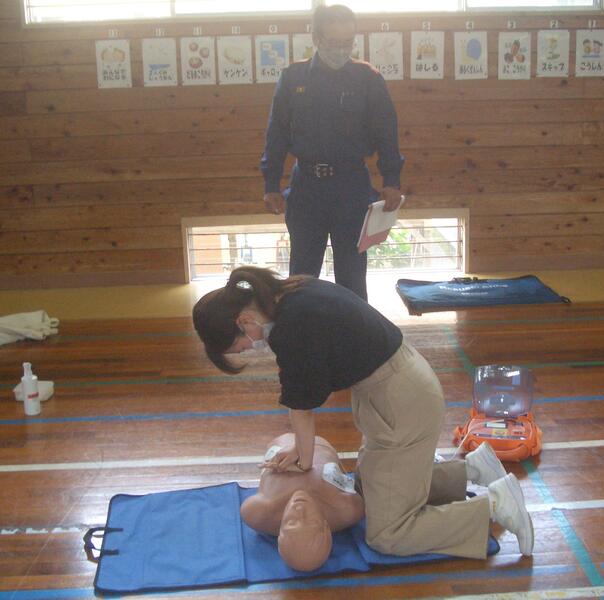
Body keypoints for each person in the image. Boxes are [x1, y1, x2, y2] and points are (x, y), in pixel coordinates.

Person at [193, 266, 534, 560]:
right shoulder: (294, 292)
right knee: (367, 488)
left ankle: (495, 506)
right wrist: (299, 449)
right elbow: (303, 391)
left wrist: (302, 458)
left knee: (387, 534)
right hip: (393, 389)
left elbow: (302, 405)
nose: (251, 347)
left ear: (244, 320)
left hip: (402, 401)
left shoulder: (292, 324)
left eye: (242, 345)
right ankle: (472, 469)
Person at [260, 4, 404, 301]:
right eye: (333, 42)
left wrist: (392, 180)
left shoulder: (368, 78)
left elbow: (386, 133)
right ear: (316, 39)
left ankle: (354, 330)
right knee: (301, 276)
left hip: (351, 186)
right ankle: (299, 328)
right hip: (306, 187)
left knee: (352, 276)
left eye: (347, 42)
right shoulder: (293, 78)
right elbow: (276, 134)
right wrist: (271, 184)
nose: (341, 49)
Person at [240, 433, 364, 571]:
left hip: (283, 443)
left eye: (291, 522)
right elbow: (357, 503)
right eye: (311, 521)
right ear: (325, 526)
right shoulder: (345, 511)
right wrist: (323, 494)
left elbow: (248, 508)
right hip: (320, 445)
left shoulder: (260, 515)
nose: (299, 510)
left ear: (279, 531)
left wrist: (281, 496)